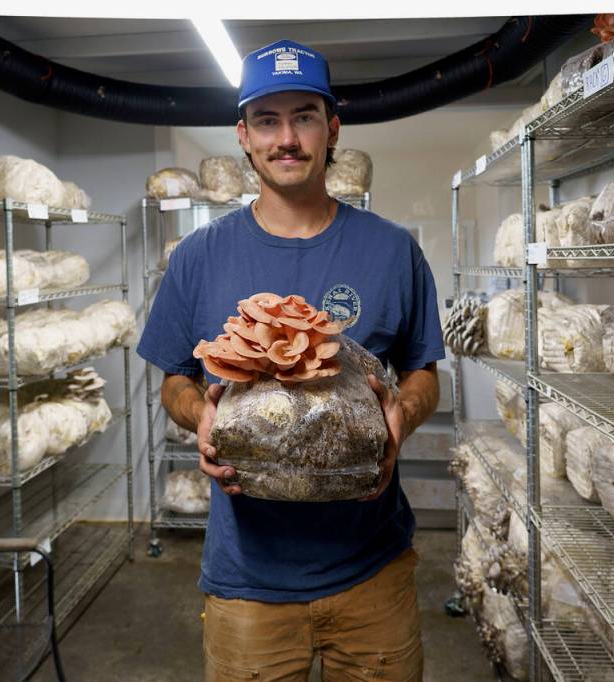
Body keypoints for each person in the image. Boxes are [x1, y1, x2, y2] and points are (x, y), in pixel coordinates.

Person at [137, 38, 445, 681]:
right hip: (248, 581)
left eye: (304, 116)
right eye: (268, 121)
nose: (287, 138)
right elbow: (174, 379)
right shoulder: (198, 255)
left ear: (331, 131)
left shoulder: (393, 251)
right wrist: (199, 417)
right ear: (243, 136)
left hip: (373, 571)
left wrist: (401, 418)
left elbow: (423, 371)